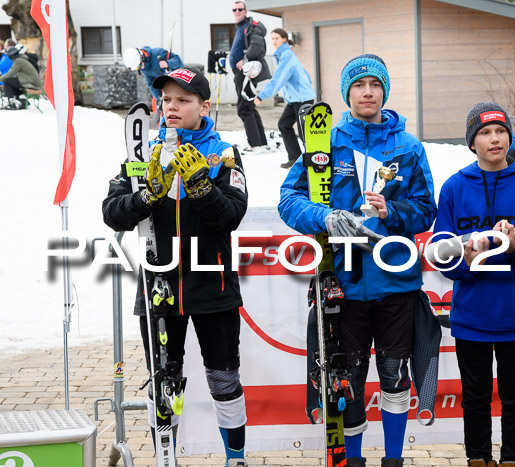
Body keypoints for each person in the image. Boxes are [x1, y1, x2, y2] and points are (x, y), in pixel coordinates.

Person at [278, 54, 437, 467]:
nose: (368, 92)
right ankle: (352, 461)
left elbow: (426, 209)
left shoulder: (408, 146)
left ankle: (394, 460)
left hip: (395, 284)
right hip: (342, 285)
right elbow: (288, 199)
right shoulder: (327, 143)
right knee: (346, 380)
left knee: (393, 374)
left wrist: (393, 213)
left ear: (385, 90)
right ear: (347, 92)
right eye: (359, 85)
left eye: (375, 84)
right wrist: (325, 216)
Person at [102, 67, 250, 467]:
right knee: (163, 383)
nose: (172, 107)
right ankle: (166, 459)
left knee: (224, 378)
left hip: (212, 286)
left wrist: (200, 183)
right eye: (166, 99)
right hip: (158, 287)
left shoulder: (224, 155)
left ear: (204, 107)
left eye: (182, 100)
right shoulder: (142, 156)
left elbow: (232, 215)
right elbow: (112, 213)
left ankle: (235, 458)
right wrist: (147, 196)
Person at [432, 102, 515, 467]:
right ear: (472, 142)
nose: (494, 139)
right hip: (471, 316)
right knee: (474, 398)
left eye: (500, 131)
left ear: (510, 137)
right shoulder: (455, 187)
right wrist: (468, 261)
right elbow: (441, 256)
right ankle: (477, 459)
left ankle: (513, 460)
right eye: (485, 133)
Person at [253, 28, 314, 169]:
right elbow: (306, 75)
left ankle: (313, 162)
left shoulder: (287, 56)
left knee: (305, 133)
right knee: (284, 125)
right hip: (295, 100)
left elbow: (278, 80)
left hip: (302, 100)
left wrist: (261, 96)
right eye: (272, 38)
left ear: (284, 39)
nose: (274, 41)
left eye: (277, 38)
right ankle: (295, 158)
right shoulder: (284, 55)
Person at [229, 1, 271, 152]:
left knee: (244, 109)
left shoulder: (251, 27)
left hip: (246, 73)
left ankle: (255, 144)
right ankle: (260, 142)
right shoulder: (241, 27)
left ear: (246, 11)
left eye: (240, 9)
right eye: (234, 9)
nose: (237, 11)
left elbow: (257, 44)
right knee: (249, 107)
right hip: (241, 73)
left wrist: (246, 60)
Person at [0, 46, 42, 110]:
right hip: (31, 82)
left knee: (7, 81)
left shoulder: (19, 61)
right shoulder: (21, 59)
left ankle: (11, 103)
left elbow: (10, 74)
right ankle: (23, 100)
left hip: (31, 83)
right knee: (11, 82)